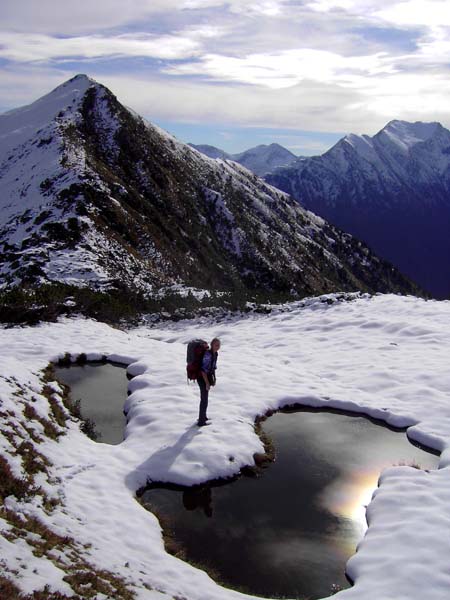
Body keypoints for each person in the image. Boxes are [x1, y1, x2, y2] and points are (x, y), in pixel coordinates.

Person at [197, 338, 220, 426]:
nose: (218, 347)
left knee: (205, 398)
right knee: (204, 399)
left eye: (219, 345)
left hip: (207, 376)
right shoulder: (208, 354)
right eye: (216, 345)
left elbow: (213, 367)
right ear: (212, 345)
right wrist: (207, 383)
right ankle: (201, 422)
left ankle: (203, 416)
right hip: (201, 377)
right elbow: (203, 370)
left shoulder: (215, 354)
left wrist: (214, 379)